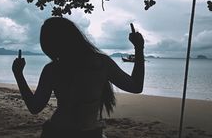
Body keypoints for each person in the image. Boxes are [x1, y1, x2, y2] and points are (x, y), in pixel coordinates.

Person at [12, 17, 145, 138]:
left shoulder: (53, 69)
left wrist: (18, 75)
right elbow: (136, 86)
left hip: (57, 131)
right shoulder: (101, 63)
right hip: (90, 133)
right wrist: (139, 48)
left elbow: (35, 107)